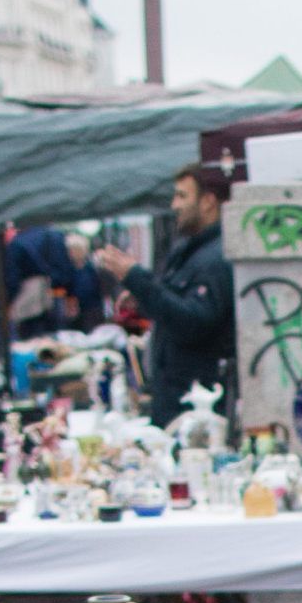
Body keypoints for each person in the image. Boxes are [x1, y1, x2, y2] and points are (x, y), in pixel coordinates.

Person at [93, 164, 233, 427]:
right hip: (179, 404)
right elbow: (176, 305)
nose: (174, 205)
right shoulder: (192, 251)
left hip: (196, 410)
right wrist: (143, 297)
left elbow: (193, 321)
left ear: (208, 202)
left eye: (182, 196)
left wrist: (136, 278)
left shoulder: (215, 258)